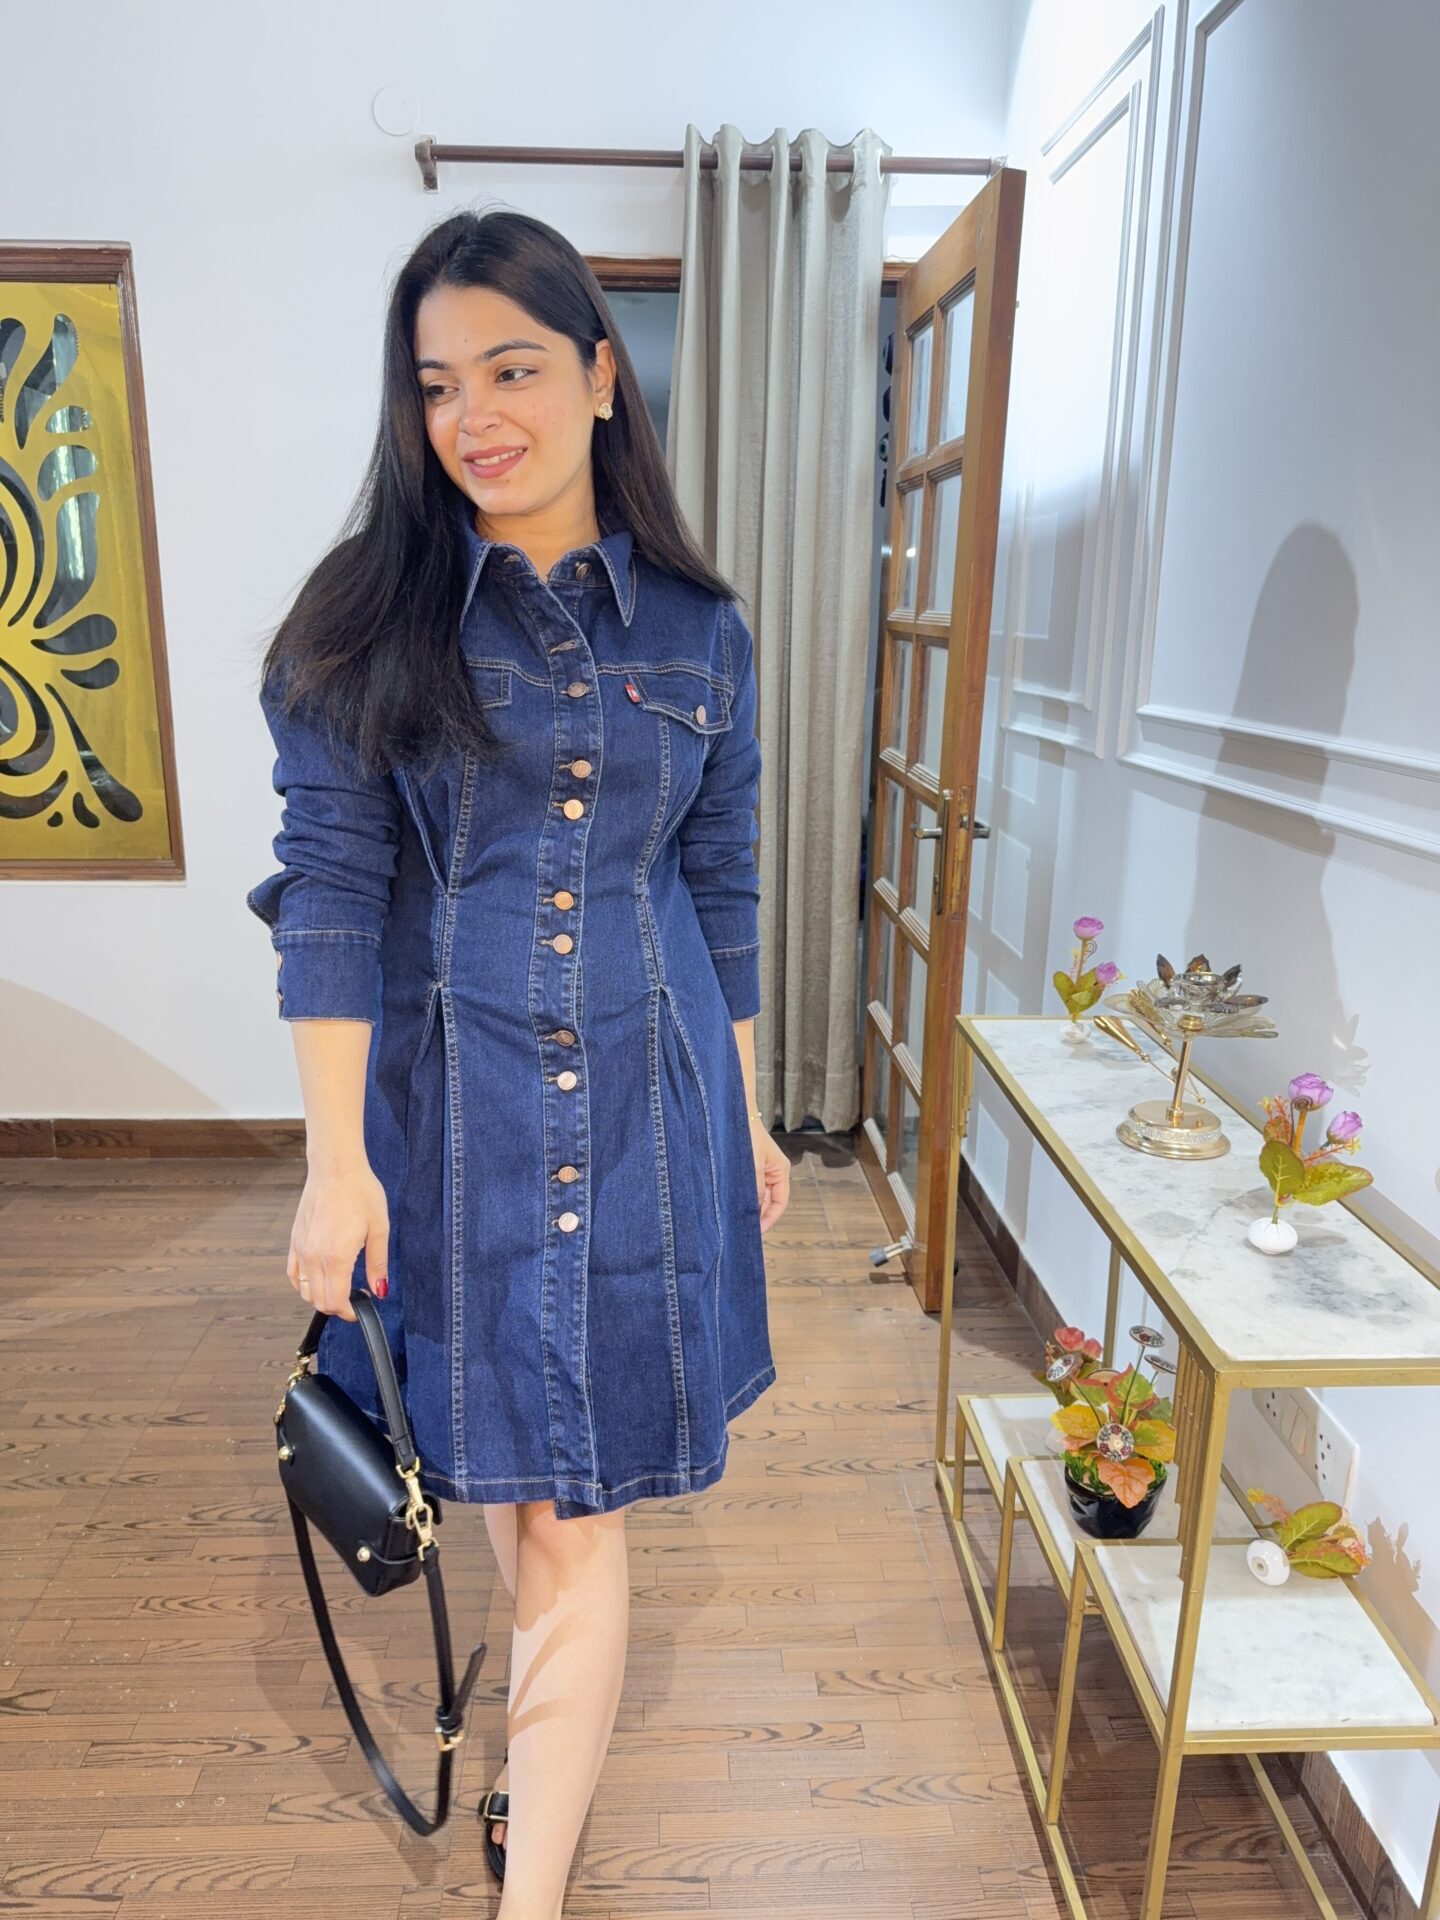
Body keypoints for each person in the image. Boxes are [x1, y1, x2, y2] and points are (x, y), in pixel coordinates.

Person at [245, 206, 791, 1919]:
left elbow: (720, 883)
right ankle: (533, 1788)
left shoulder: (701, 633)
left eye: (513, 369)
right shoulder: (360, 623)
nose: (474, 416)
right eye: (437, 385)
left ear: (603, 378)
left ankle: (528, 1888)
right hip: (451, 1121)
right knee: (505, 1477)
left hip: (643, 1115)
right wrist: (337, 1161)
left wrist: (749, 1112)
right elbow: (331, 896)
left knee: (575, 1513)